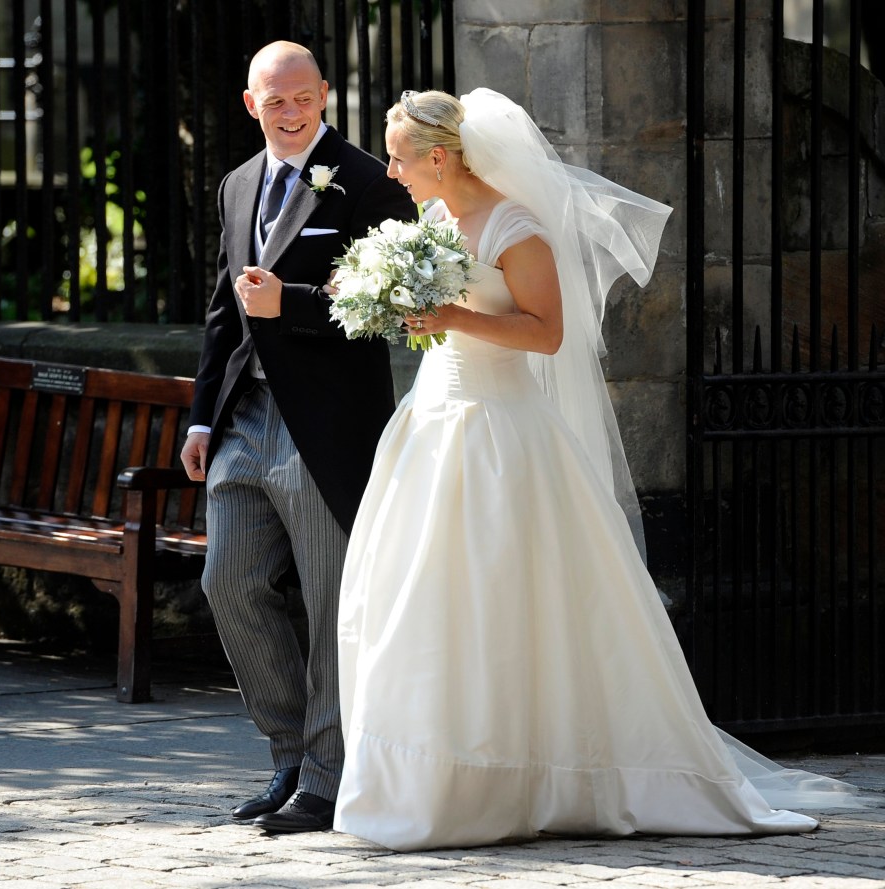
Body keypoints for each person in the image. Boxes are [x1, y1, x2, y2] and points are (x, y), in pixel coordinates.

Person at [332, 88, 858, 851]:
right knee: (425, 599)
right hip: (433, 424)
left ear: (438, 156)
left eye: (398, 155)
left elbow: (547, 334)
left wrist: (452, 318)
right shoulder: (438, 220)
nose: (391, 170)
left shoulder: (516, 226)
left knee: (513, 602)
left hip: (501, 435)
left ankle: (531, 776)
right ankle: (434, 784)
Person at [180, 41, 416, 835]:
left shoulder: (368, 181)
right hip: (244, 420)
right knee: (228, 581)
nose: (289, 113)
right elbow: (224, 307)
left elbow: (391, 305)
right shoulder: (238, 183)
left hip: (326, 423)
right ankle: (288, 747)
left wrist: (299, 304)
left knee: (327, 598)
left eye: (302, 98)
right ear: (251, 104)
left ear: (324, 96)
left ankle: (327, 773)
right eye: (273, 101)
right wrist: (203, 416)